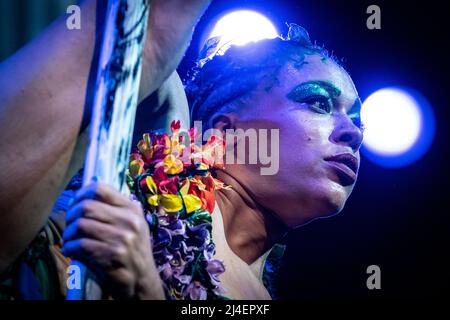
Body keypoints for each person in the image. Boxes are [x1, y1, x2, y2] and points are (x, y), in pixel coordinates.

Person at [0, 1, 364, 300]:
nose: (354, 134)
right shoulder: (155, 145)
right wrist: (154, 45)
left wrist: (146, 290)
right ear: (226, 132)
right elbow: (144, 53)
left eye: (358, 122)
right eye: (318, 103)